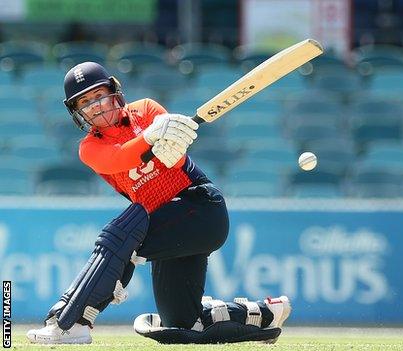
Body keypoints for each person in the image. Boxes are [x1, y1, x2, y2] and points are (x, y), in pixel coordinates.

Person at [26, 62, 291, 345]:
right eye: (86, 102)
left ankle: (72, 322)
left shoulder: (148, 110)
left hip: (201, 210)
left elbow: (174, 159)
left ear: (115, 93)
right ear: (78, 112)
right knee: (183, 324)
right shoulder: (90, 148)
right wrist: (150, 138)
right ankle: (264, 313)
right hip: (166, 226)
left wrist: (171, 136)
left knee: (119, 237)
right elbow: (119, 159)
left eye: (99, 95)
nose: (96, 106)